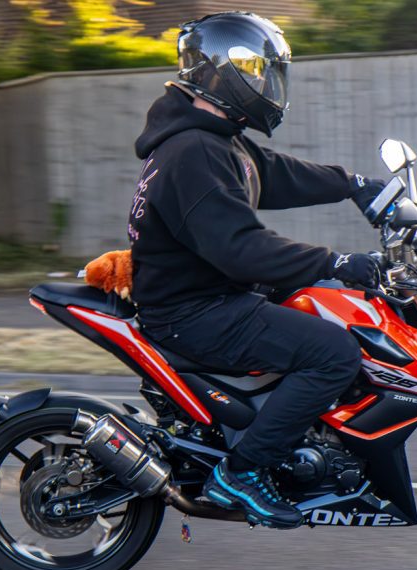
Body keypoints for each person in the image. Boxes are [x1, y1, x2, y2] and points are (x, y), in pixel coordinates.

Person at [127, 12, 385, 529]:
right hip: (195, 311)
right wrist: (336, 262)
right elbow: (241, 249)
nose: (268, 85)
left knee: (322, 304)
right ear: (223, 73)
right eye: (259, 73)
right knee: (333, 353)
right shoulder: (192, 152)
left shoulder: (214, 139)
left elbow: (272, 173)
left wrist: (354, 185)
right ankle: (243, 472)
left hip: (207, 294)